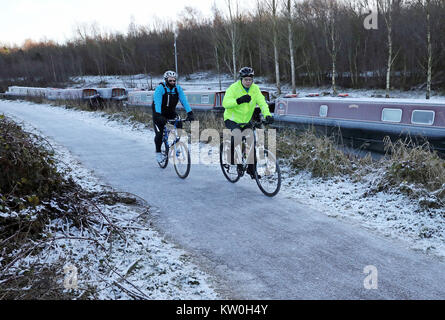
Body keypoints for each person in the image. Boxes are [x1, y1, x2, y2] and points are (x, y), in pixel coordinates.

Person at [222, 67, 274, 179]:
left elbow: (262, 103)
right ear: (241, 79)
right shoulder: (233, 88)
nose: (248, 82)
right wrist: (238, 101)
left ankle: (251, 171)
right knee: (237, 136)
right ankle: (231, 158)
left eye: (250, 79)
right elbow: (225, 103)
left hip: (245, 121)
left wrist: (267, 115)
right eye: (246, 79)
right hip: (231, 119)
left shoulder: (255, 89)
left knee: (252, 144)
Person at [152, 70, 194, 163]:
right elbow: (157, 102)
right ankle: (158, 153)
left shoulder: (177, 89)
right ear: (166, 80)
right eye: (170, 81)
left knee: (179, 127)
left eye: (174, 80)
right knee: (159, 134)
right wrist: (158, 116)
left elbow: (184, 101)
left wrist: (190, 113)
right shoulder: (160, 88)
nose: (172, 82)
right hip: (158, 112)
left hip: (170, 112)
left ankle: (175, 145)